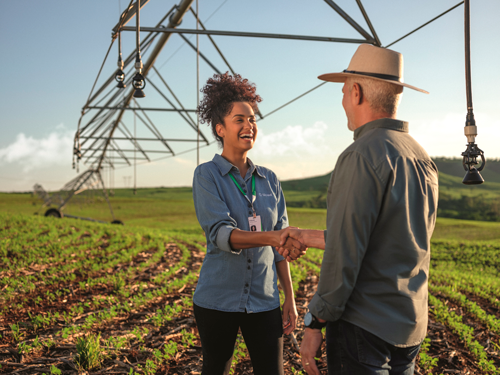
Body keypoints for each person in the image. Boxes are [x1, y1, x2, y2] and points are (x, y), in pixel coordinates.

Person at [279, 44, 439, 374]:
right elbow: (384, 236)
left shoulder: (361, 155)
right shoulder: (422, 158)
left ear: (355, 92)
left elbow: (345, 252)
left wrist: (315, 322)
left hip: (365, 328)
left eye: (342, 91)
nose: (342, 102)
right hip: (410, 327)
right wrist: (304, 235)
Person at [192, 72, 305, 375]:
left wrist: (290, 299)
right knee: (215, 369)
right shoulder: (207, 175)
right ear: (220, 129)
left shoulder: (269, 179)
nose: (249, 126)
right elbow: (222, 235)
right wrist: (274, 237)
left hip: (265, 299)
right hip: (217, 299)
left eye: (253, 119)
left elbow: (280, 249)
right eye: (239, 119)